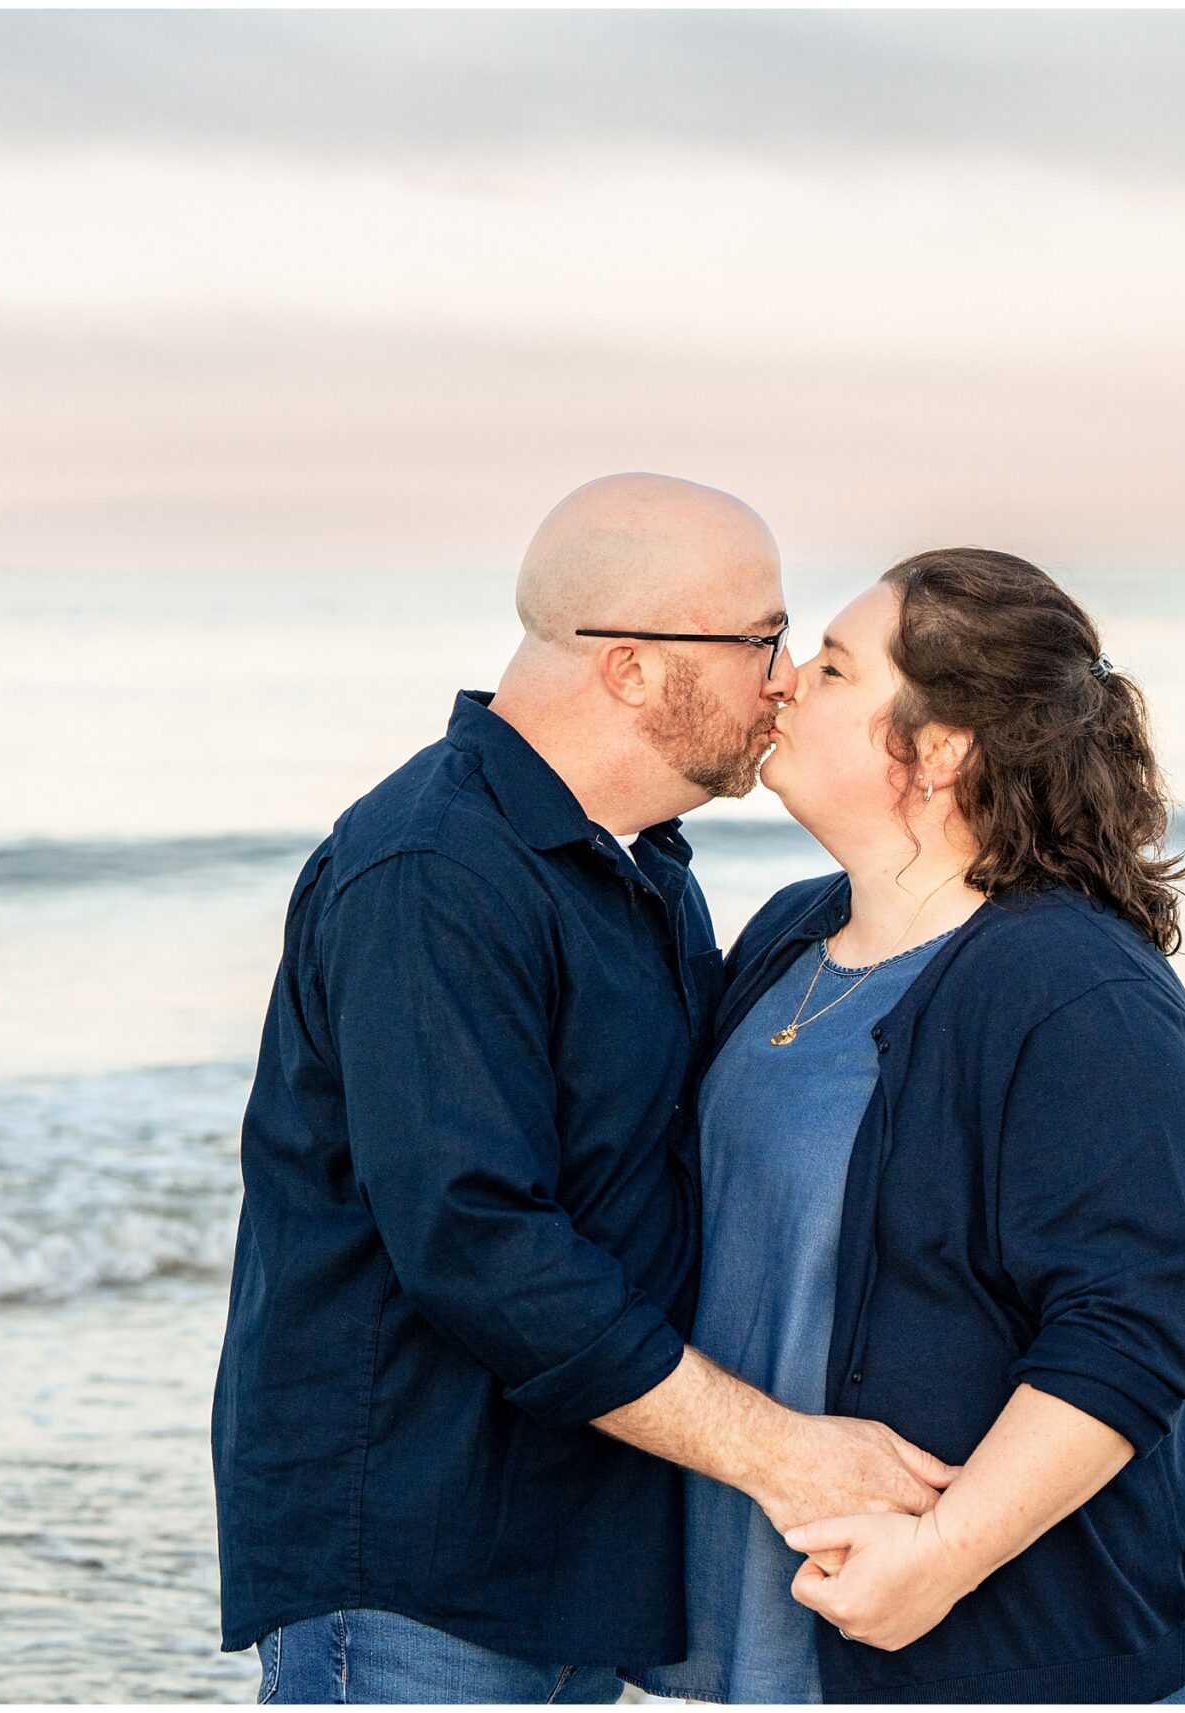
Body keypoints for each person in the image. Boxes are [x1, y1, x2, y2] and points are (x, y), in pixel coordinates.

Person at [210, 474, 957, 1705]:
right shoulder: (429, 872)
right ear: (629, 667)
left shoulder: (642, 870)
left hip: (573, 1550)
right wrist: (783, 1457)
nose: (782, 678)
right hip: (416, 1560)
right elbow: (478, 1241)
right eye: (762, 640)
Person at [633, 547, 1185, 1704]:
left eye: (835, 670)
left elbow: (1136, 1322)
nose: (782, 682)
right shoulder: (785, 937)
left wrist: (942, 1558)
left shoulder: (1070, 987)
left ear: (943, 746)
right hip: (768, 1629)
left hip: (1011, 1653)